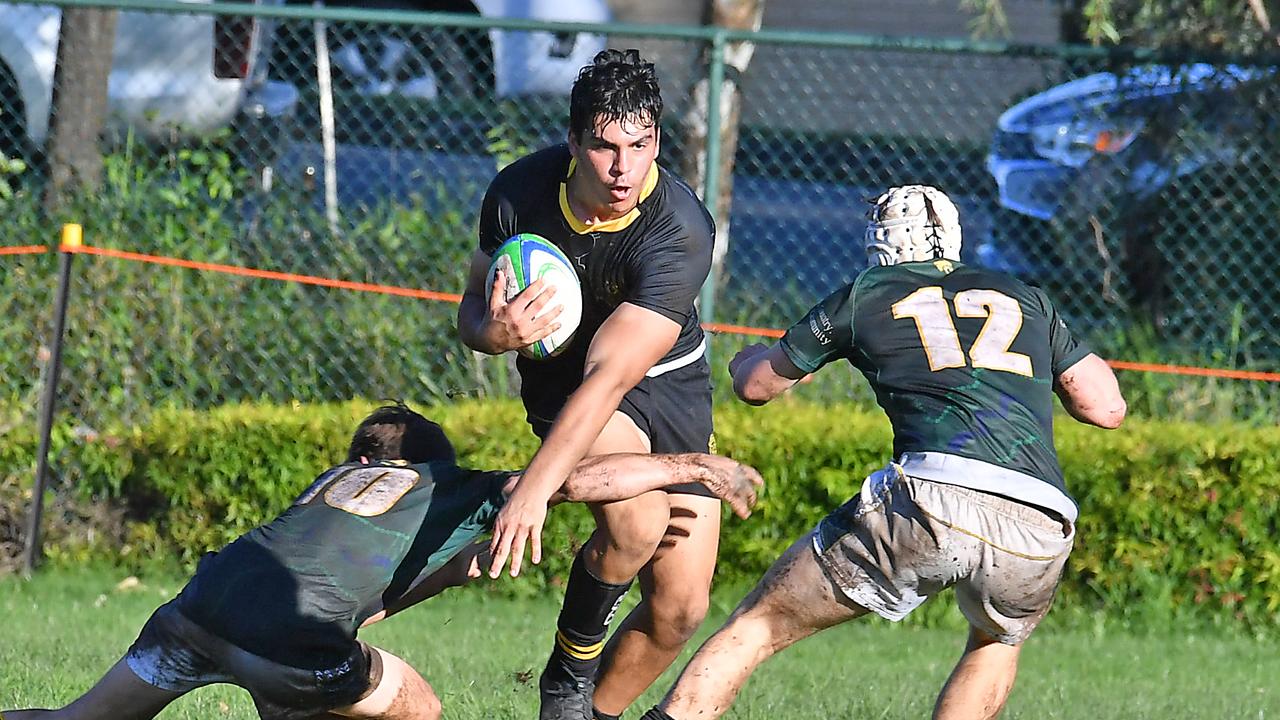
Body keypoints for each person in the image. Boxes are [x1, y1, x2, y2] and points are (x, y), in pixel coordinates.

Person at [638, 185, 1128, 720]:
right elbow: (1105, 407)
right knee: (995, 642)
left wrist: (745, 362)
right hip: (1039, 515)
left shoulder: (870, 291)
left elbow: (757, 386)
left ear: (880, 245)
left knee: (757, 625)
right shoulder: (1025, 296)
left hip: (933, 495)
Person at [4, 403, 763, 720]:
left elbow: (360, 587)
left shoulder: (330, 488)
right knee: (422, 707)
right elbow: (580, 480)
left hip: (192, 612)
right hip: (286, 642)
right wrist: (695, 466)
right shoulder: (442, 485)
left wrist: (451, 570)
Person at [456, 49, 718, 720]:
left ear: (656, 138)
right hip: (566, 385)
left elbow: (615, 373)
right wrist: (496, 334)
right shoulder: (520, 191)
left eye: (639, 144)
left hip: (664, 385)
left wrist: (534, 494)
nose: (624, 167)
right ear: (573, 142)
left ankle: (588, 714)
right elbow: (471, 313)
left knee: (681, 609)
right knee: (637, 523)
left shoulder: (678, 228)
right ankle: (567, 679)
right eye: (604, 147)